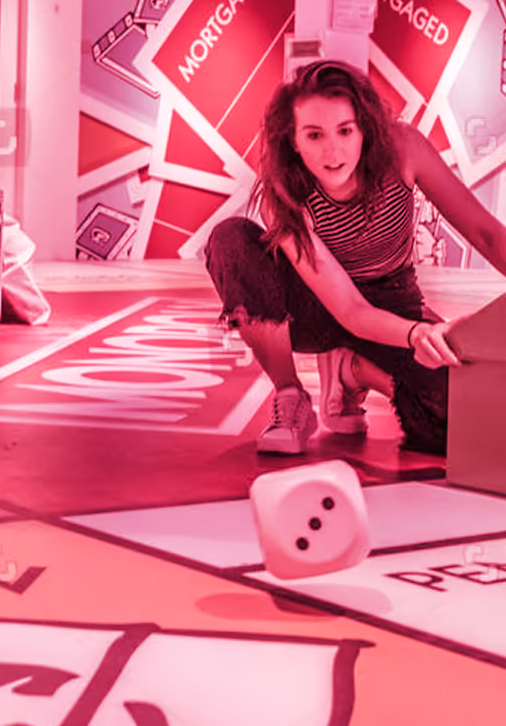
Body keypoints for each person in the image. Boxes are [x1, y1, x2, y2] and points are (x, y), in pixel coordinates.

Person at [205, 58, 506, 458]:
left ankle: (353, 371)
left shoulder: (402, 149)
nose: (333, 150)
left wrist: (418, 332)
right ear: (293, 140)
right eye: (314, 135)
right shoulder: (284, 183)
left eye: (345, 130)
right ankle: (291, 396)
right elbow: (347, 309)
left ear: (364, 126)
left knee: (459, 420)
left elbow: (485, 233)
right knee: (230, 238)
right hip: (314, 309)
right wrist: (417, 334)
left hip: (391, 299)